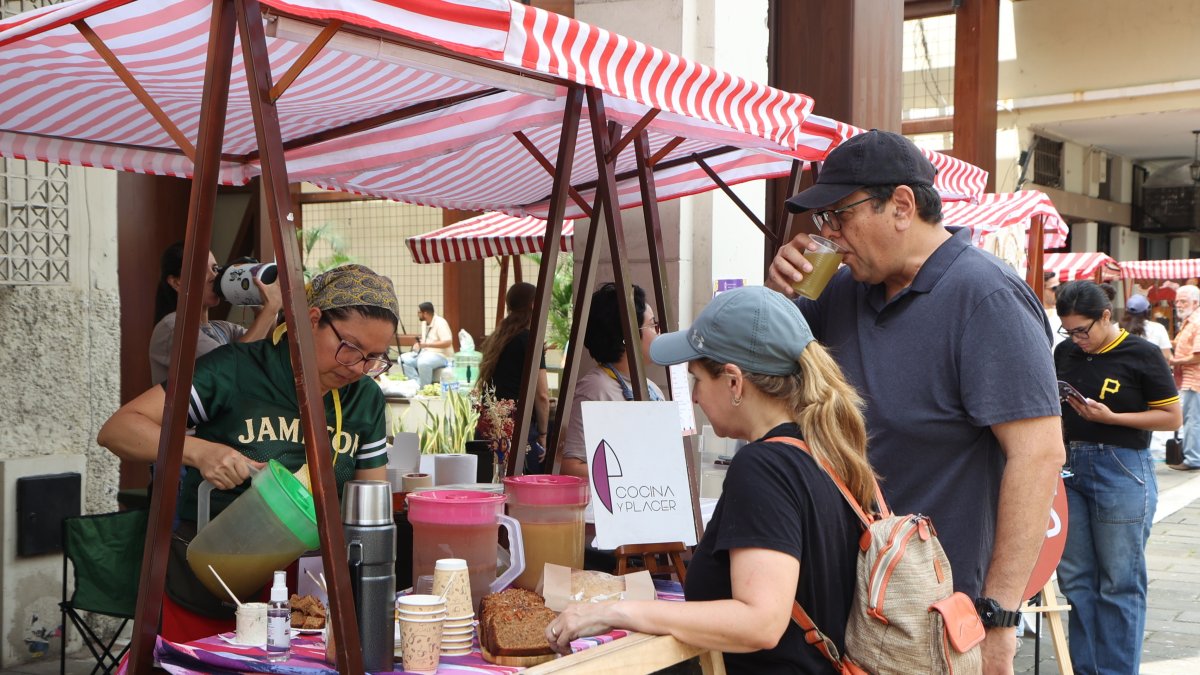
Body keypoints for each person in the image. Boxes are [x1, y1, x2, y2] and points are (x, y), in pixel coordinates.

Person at [765, 129, 1065, 673]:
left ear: (902, 205)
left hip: (929, 619)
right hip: (836, 603)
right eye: (822, 221)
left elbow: (1039, 455)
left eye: (839, 215)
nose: (828, 234)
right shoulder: (839, 288)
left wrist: (997, 619)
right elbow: (766, 394)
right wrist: (779, 301)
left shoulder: (986, 295)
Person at [546, 287, 874, 673]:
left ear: (734, 382)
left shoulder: (763, 466)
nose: (696, 397)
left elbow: (761, 622)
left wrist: (616, 612)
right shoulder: (826, 451)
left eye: (697, 379)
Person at [97, 264, 398, 642]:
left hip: (308, 589)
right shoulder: (239, 370)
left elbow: (370, 504)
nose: (358, 368)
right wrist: (198, 452)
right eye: (350, 348)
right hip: (219, 570)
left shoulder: (364, 399)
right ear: (312, 319)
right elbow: (119, 429)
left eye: (374, 358)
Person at [1054, 280, 1180, 675]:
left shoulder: (1140, 353)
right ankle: (1085, 668)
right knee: (1076, 580)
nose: (1076, 339)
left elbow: (1172, 417)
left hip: (1123, 466)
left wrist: (1112, 418)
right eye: (1068, 330)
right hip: (1070, 465)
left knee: (1119, 581)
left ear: (1106, 316)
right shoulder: (1064, 352)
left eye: (1082, 330)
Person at [560, 282, 664, 479]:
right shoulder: (595, 389)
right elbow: (571, 467)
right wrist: (630, 475)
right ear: (628, 336)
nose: (658, 332)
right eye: (652, 324)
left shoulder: (653, 389)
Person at [149, 243, 283, 384]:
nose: (214, 276)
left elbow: (270, 345)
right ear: (176, 282)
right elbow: (231, 366)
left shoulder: (222, 329)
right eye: (201, 270)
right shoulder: (172, 328)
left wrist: (253, 297)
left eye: (214, 268)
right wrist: (271, 308)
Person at [476, 282, 551, 472]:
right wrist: (543, 434)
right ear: (534, 305)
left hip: (488, 428)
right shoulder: (529, 340)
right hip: (518, 432)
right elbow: (542, 395)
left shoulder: (498, 337)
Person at [1168, 284, 1200, 470]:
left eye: (1183, 301)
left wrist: (1174, 362)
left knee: (1192, 420)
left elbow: (1197, 355)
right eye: (1177, 301)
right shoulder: (1190, 321)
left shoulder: (1196, 322)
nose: (1178, 304)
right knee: (1193, 419)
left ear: (1195, 302)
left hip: (1193, 380)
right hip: (1189, 380)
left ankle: (1192, 459)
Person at [400, 301, 454, 385]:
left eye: (419, 312)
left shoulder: (440, 322)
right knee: (402, 359)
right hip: (426, 353)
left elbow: (448, 342)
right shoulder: (425, 323)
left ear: (425, 313)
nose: (418, 314)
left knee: (423, 362)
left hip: (442, 356)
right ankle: (416, 383)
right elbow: (426, 341)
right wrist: (419, 345)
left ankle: (424, 387)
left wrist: (426, 345)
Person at [1121, 293, 1171, 362]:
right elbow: (1166, 356)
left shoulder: (1115, 328)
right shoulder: (1158, 328)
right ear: (1147, 311)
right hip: (1151, 371)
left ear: (1126, 311)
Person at [1042, 270, 1065, 348]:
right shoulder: (1037, 314)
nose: (1058, 291)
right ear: (1042, 289)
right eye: (1054, 288)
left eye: (1059, 287)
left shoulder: (1064, 312)